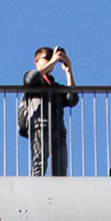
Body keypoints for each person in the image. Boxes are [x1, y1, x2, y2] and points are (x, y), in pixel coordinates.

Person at [19, 46, 78, 177]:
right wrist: (53, 61)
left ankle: (59, 195)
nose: (52, 61)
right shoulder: (32, 77)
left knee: (60, 168)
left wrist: (69, 72)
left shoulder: (54, 85)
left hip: (58, 129)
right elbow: (30, 79)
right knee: (39, 164)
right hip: (40, 125)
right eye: (47, 57)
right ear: (36, 60)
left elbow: (72, 99)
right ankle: (34, 192)